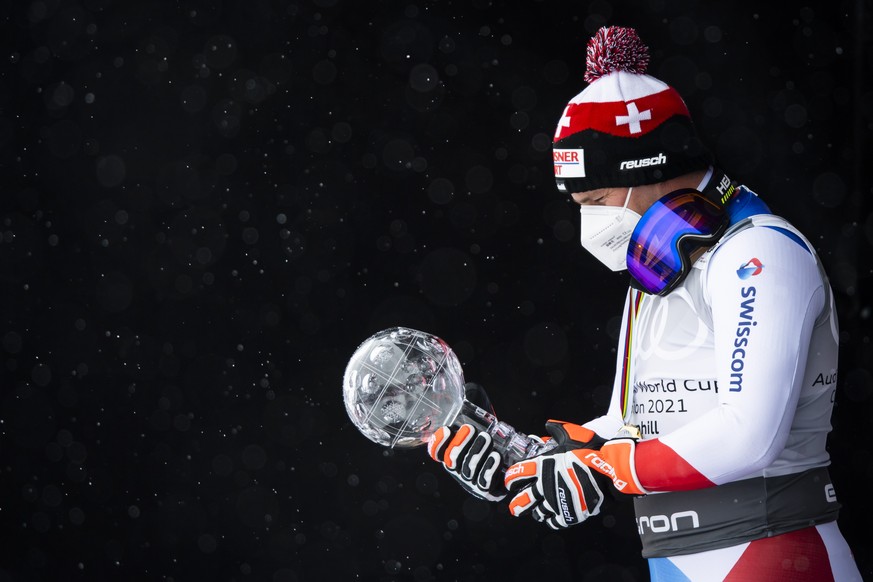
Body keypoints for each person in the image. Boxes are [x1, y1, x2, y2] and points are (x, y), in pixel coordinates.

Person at [426, 26, 862, 581]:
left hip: (774, 554)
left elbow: (751, 436)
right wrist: (532, 457)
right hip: (675, 559)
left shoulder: (758, 251)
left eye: (596, 199)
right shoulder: (658, 268)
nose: (589, 222)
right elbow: (639, 424)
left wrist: (601, 467)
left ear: (646, 168)